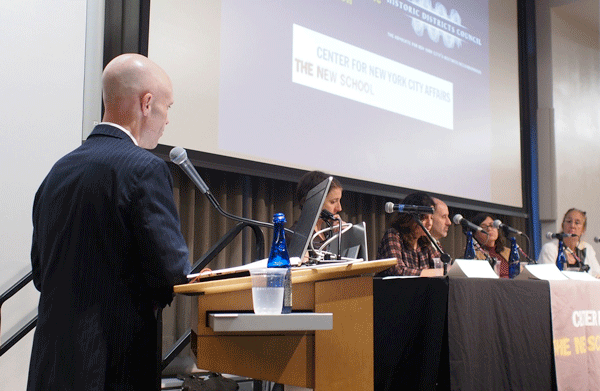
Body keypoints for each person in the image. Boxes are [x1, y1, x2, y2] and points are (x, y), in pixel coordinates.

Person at [27, 53, 191, 391]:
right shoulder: (145, 168)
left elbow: (41, 272)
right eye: (167, 107)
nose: (167, 121)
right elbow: (169, 272)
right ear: (147, 104)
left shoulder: (58, 171)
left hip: (51, 366)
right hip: (113, 368)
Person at [376, 192, 436, 276]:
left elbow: (442, 264)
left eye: (431, 218)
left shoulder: (426, 242)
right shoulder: (394, 235)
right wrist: (435, 272)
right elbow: (397, 270)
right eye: (425, 217)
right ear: (410, 217)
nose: (430, 223)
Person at [538, 208, 600, 277]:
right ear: (562, 225)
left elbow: (597, 274)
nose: (572, 226)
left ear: (583, 230)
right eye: (569, 221)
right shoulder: (550, 248)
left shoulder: (587, 248)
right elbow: (547, 277)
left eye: (577, 223)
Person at [293, 170, 344, 252]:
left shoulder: (330, 235)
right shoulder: (295, 237)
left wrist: (343, 236)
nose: (339, 208)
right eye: (333, 202)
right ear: (313, 201)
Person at [470, 213, 511, 278]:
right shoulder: (472, 253)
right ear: (475, 234)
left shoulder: (508, 251)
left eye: (492, 225)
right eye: (483, 226)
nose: (489, 229)